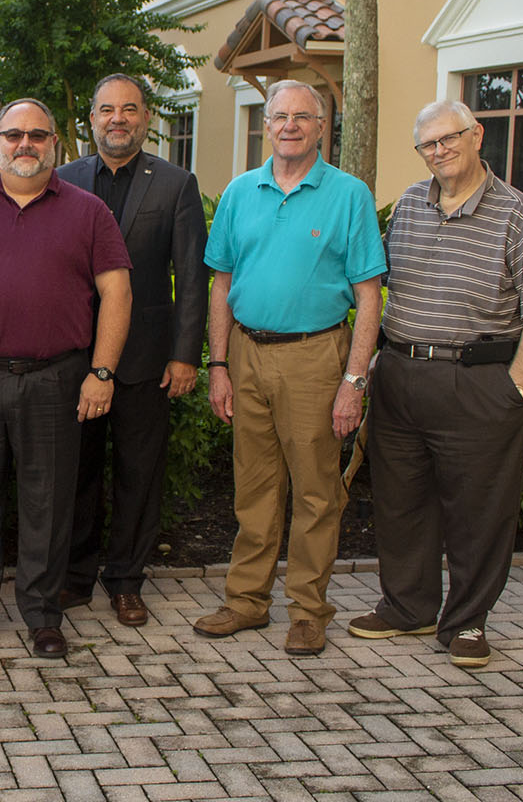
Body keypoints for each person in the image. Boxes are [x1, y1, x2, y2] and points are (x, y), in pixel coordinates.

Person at [349, 100, 523, 668]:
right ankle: (407, 606)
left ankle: (468, 621)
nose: (439, 151)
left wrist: (516, 389)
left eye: (449, 138)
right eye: (428, 144)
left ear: (476, 136)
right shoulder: (407, 206)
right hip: (400, 376)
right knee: (402, 503)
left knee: (477, 511)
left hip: (477, 384)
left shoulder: (516, 212)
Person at [0, 97, 132, 660]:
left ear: (55, 144)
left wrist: (102, 372)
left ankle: (44, 614)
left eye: (37, 136)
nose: (25, 145)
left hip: (57, 380)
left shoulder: (89, 212)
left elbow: (117, 292)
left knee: (49, 502)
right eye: (14, 135)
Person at [195, 78, 384, 657]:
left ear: (322, 127)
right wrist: (219, 364)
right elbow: (221, 283)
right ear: (267, 124)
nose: (290, 126)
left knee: (316, 492)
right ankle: (247, 601)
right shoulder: (239, 192)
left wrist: (354, 380)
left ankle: (307, 610)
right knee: (254, 487)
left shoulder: (348, 195)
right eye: (280, 116)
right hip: (247, 353)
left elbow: (369, 294)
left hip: (315, 356)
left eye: (303, 116)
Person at [55, 74, 207, 627]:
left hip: (147, 360)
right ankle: (74, 576)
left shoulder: (175, 184)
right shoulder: (63, 180)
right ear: (90, 119)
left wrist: (186, 354)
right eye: (106, 110)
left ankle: (125, 581)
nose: (117, 118)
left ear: (146, 118)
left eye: (129, 109)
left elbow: (191, 275)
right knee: (77, 472)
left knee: (139, 475)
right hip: (74, 357)